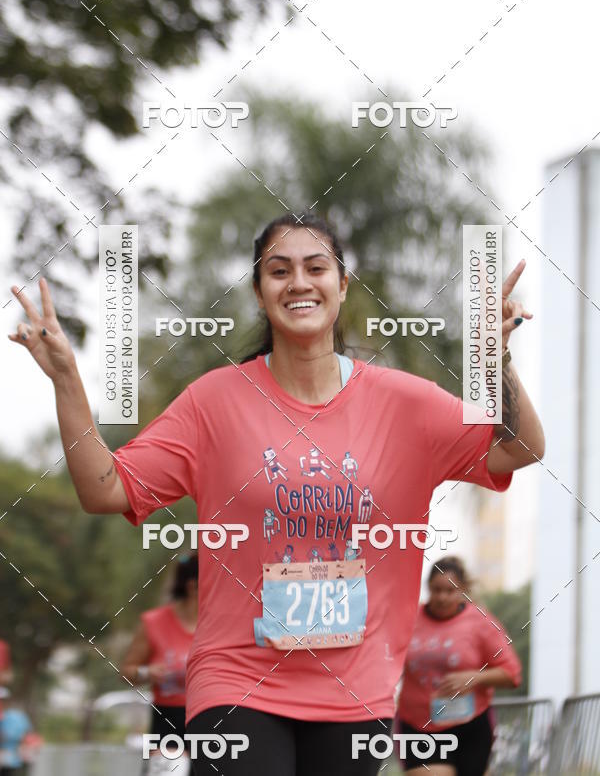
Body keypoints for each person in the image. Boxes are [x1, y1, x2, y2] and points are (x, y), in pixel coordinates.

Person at [9, 212, 545, 775]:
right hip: (235, 677)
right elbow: (107, 489)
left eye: (317, 268)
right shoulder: (214, 402)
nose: (299, 282)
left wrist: (497, 358)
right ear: (260, 293)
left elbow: (520, 450)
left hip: (354, 684)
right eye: (278, 270)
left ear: (342, 286)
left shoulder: (406, 404)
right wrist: (67, 381)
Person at [395, 557, 521, 776]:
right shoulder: (409, 619)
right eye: (436, 590)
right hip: (418, 726)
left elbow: (512, 674)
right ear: (427, 589)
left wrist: (475, 677)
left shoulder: (481, 622)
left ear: (462, 590)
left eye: (450, 591)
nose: (442, 597)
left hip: (469, 728)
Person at [122, 554, 198, 769]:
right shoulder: (154, 622)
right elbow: (126, 672)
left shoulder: (222, 622)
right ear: (193, 586)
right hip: (168, 720)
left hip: (213, 717)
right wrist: (148, 672)